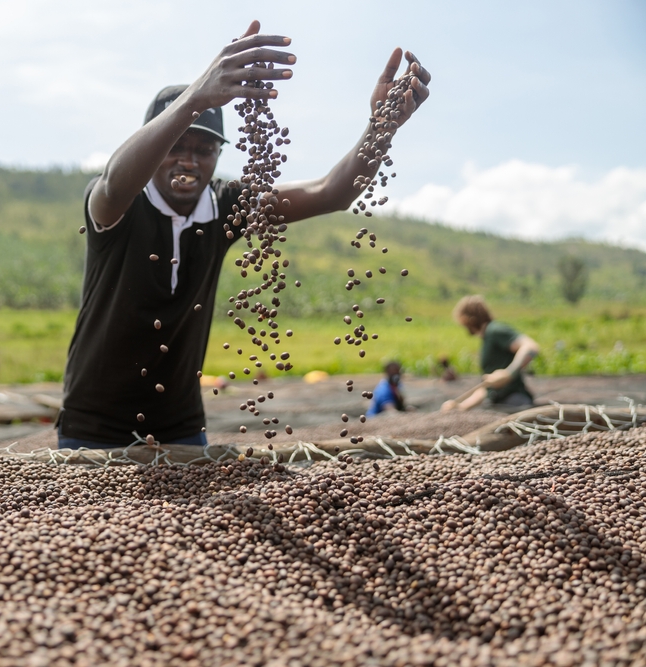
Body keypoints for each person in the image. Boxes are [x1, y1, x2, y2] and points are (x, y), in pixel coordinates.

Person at [58, 20, 431, 449]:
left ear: (219, 154)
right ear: (153, 145)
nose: (189, 161)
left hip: (181, 424)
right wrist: (196, 98)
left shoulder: (223, 206)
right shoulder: (118, 203)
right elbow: (114, 181)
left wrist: (382, 127)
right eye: (175, 145)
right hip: (92, 425)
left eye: (204, 150)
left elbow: (331, 192)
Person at [441, 295, 540, 412]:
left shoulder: (495, 331)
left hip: (515, 400)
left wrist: (509, 373)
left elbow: (530, 346)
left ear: (468, 319)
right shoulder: (487, 338)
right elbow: (487, 386)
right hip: (500, 402)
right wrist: (461, 406)